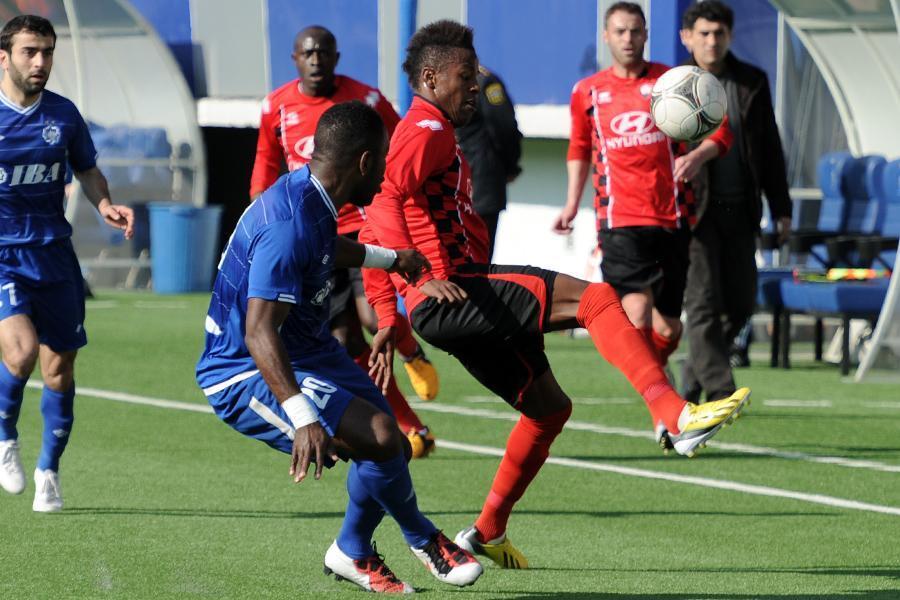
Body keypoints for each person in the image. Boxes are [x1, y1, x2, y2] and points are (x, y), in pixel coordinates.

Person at [361, 19, 750, 570]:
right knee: (596, 299)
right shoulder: (425, 128)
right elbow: (382, 202)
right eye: (465, 77)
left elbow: (385, 221)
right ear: (430, 78)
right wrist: (418, 280)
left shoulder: (433, 128)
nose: (475, 87)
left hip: (449, 302)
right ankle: (673, 414)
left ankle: (488, 530)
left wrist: (388, 314)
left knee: (548, 410)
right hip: (455, 294)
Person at [196, 102, 482, 593]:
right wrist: (302, 416)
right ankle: (425, 540)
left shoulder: (309, 191)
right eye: (384, 159)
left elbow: (325, 246)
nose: (387, 171)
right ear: (365, 162)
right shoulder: (288, 224)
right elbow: (258, 331)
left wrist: (392, 259)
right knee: (380, 437)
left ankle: (352, 550)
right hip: (244, 370)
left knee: (392, 446)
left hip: (306, 348)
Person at [249, 25, 439, 458]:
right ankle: (412, 426)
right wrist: (261, 219)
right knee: (343, 342)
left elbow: (402, 144)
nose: (316, 60)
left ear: (336, 58)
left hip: (362, 225)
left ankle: (410, 351)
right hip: (314, 234)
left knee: (372, 318)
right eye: (308, 53)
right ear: (295, 59)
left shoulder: (365, 99)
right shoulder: (276, 106)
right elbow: (264, 165)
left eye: (324, 52)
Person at [552, 1, 733, 392]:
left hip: (672, 217)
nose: (628, 39)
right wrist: (570, 204)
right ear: (606, 36)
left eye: (635, 31)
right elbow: (579, 148)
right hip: (618, 220)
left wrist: (697, 156)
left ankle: (656, 375)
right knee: (636, 314)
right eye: (620, 31)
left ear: (646, 34)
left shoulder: (673, 82)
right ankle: (662, 403)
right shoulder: (587, 91)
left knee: (669, 328)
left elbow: (722, 131)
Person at [0, 15, 134, 512]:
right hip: (3, 256)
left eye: (48, 52)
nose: (41, 61)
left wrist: (105, 203)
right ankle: (5, 437)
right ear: (4, 57)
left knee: (59, 369)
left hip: (55, 256)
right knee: (21, 353)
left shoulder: (64, 114)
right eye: (30, 51)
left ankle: (48, 471)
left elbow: (87, 170)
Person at [678, 0, 792, 402]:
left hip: (742, 209)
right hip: (695, 212)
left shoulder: (751, 82)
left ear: (729, 35)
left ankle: (695, 368)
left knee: (742, 304)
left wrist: (782, 208)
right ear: (687, 37)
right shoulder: (674, 86)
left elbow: (770, 148)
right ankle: (721, 390)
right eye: (704, 33)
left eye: (719, 33)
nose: (712, 41)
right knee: (703, 301)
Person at [456, 65, 522, 259]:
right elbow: (505, 127)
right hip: (483, 181)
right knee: (479, 259)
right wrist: (511, 166)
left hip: (460, 182)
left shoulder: (443, 80)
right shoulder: (486, 81)